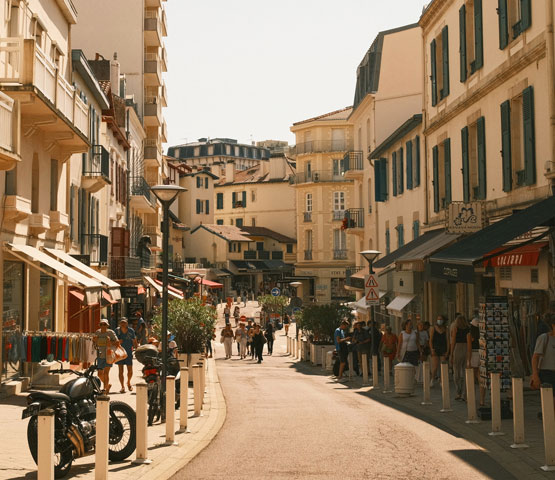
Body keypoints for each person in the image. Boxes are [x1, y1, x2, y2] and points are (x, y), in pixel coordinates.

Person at [531, 313, 555, 394]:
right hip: (547, 374)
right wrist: (535, 375)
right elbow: (535, 357)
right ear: (553, 326)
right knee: (549, 400)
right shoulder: (544, 338)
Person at [450, 314, 471, 401]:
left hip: (457, 348)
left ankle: (458, 391)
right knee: (465, 371)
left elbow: (453, 341)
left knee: (456, 371)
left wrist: (451, 353)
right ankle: (464, 394)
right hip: (466, 348)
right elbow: (469, 342)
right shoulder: (468, 330)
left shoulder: (456, 329)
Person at [94, 318, 118, 394]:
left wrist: (109, 342)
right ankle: (107, 385)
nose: (103, 326)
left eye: (104, 324)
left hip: (108, 355)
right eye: (101, 324)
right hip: (100, 355)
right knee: (99, 373)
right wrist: (94, 340)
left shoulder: (111, 333)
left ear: (107, 325)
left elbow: (117, 343)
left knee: (106, 373)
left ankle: (104, 389)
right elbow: (95, 344)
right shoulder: (97, 332)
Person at [115, 318, 137, 393]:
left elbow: (134, 340)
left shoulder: (131, 331)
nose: (123, 324)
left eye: (124, 322)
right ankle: (122, 386)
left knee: (130, 370)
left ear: (127, 323)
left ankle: (128, 382)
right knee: (120, 370)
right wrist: (117, 342)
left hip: (128, 352)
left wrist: (137, 349)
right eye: (121, 322)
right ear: (119, 323)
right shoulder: (117, 331)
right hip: (120, 353)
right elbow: (113, 341)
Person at [429, 315, 449, 386]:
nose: (439, 320)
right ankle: (432, 379)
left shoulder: (446, 329)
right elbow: (430, 340)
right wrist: (432, 349)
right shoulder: (433, 328)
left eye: (441, 319)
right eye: (438, 319)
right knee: (435, 366)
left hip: (443, 348)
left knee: (443, 365)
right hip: (435, 348)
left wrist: (447, 350)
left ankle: (441, 380)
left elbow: (447, 340)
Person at [469, 313, 480, 383]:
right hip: (480, 353)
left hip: (473, 353)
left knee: (473, 372)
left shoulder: (470, 335)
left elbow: (469, 347)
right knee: (478, 371)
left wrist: (468, 359)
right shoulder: (482, 334)